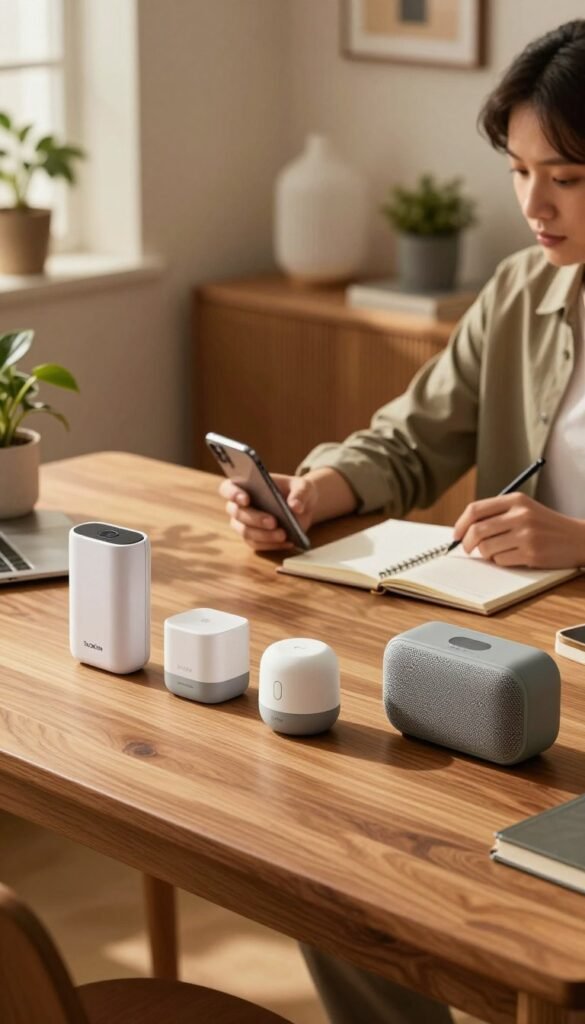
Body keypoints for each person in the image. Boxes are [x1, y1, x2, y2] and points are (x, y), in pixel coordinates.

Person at [220, 19, 585, 1024]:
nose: (532, 205)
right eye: (518, 169)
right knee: (328, 854)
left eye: (568, 176)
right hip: (508, 665)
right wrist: (315, 491)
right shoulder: (522, 291)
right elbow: (412, 436)